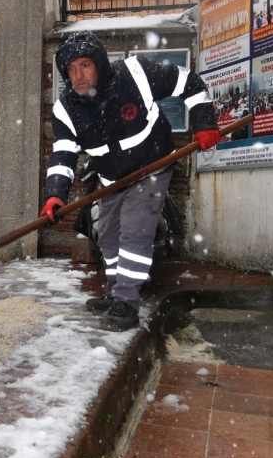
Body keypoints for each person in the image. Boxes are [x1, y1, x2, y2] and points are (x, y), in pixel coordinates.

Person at [43, 31, 220, 331]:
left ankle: (127, 302)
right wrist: (55, 194)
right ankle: (116, 291)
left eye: (85, 65)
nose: (78, 76)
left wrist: (204, 123)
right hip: (111, 177)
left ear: (99, 63)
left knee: (135, 230)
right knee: (108, 234)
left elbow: (188, 81)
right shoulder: (66, 109)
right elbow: (63, 153)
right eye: (71, 70)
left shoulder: (136, 74)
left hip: (152, 166)